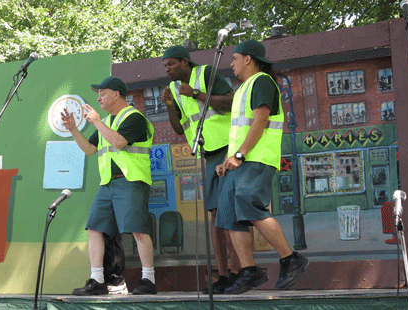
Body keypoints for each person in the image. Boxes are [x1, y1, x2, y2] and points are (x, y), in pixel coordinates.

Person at [215, 39, 308, 294]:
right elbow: (240, 130)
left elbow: (261, 119)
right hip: (241, 161)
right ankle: (248, 270)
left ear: (248, 59)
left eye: (234, 58)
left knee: (248, 203)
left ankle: (291, 258)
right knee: (229, 214)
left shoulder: (262, 81)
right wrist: (228, 160)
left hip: (256, 158)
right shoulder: (244, 88)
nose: (231, 64)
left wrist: (240, 155)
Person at [62, 76, 157, 295]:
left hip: (131, 180)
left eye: (102, 93)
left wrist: (96, 121)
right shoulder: (108, 121)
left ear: (117, 94)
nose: (99, 98)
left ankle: (149, 280)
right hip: (107, 183)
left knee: (138, 231)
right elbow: (89, 149)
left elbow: (118, 142)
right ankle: (97, 280)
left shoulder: (134, 117)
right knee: (94, 228)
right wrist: (73, 129)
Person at [161, 45, 241, 294]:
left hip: (228, 149)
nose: (167, 69)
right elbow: (178, 128)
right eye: (165, 65)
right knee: (215, 215)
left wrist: (195, 93)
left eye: (171, 64)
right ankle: (224, 275)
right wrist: (169, 106)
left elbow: (230, 103)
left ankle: (241, 273)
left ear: (185, 62)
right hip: (208, 155)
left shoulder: (206, 73)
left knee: (230, 213)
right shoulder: (174, 89)